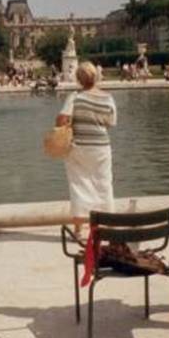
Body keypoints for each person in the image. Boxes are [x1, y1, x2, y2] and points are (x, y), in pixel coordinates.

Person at [54, 61, 117, 234]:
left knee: (79, 185)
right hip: (101, 147)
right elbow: (111, 123)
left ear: (79, 79)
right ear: (96, 77)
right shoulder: (108, 98)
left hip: (79, 146)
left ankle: (79, 230)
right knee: (104, 185)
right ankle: (106, 225)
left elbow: (61, 120)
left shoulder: (75, 97)